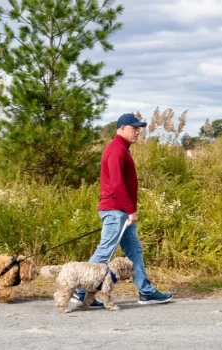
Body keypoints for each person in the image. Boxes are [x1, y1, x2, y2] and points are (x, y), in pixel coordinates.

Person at [71, 113, 173, 308]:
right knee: (104, 252)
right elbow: (117, 184)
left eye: (138, 128)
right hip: (116, 210)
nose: (137, 132)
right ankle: (80, 291)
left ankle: (147, 292)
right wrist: (130, 210)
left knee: (135, 252)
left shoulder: (122, 149)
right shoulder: (117, 149)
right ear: (121, 129)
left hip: (120, 211)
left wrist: (128, 210)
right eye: (133, 128)